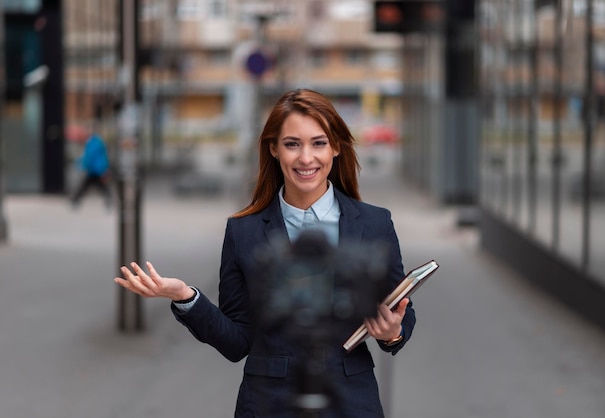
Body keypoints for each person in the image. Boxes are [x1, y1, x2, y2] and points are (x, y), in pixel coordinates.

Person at [114, 89, 415, 417]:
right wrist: (185, 296)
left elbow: (401, 310)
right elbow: (237, 342)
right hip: (269, 404)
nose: (306, 158)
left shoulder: (374, 223)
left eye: (318, 143)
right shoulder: (243, 231)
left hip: (352, 402)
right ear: (273, 148)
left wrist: (393, 332)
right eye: (292, 144)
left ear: (336, 147)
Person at [70, 132, 112, 208]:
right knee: (98, 186)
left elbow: (89, 157)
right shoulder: (98, 142)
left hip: (94, 169)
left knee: (87, 185)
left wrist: (84, 165)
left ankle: (75, 199)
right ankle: (108, 199)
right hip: (98, 169)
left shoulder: (92, 144)